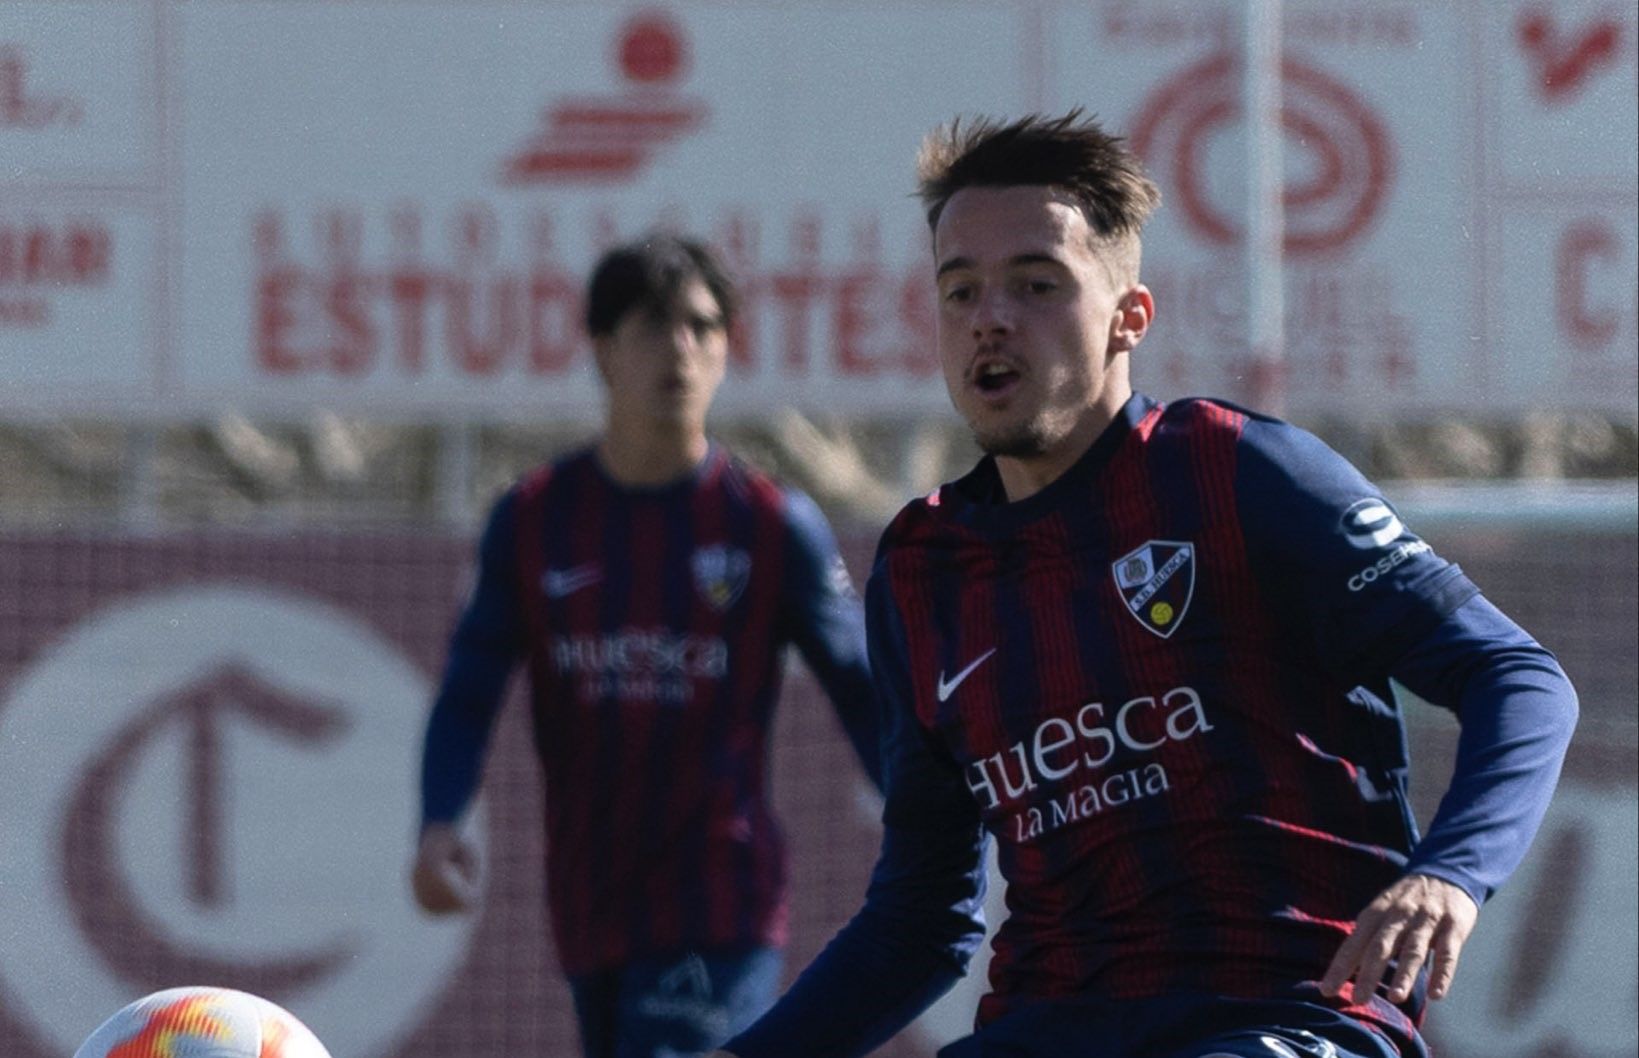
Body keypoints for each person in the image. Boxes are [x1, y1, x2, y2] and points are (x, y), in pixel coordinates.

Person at [711, 111, 1579, 1058]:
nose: (989, 317)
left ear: (1129, 316)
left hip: (1282, 1016)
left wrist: (1449, 874)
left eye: (1036, 284)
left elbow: (1519, 678)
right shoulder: (922, 571)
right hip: (1051, 1031)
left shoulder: (1237, 473)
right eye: (959, 291)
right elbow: (919, 919)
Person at [411, 233, 883, 1058]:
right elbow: (468, 689)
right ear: (601, 351)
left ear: (727, 350)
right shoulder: (533, 520)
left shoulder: (771, 526)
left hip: (720, 897)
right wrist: (439, 819)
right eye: (652, 328)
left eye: (702, 328)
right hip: (590, 903)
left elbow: (862, 691)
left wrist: (937, 823)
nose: (680, 350)